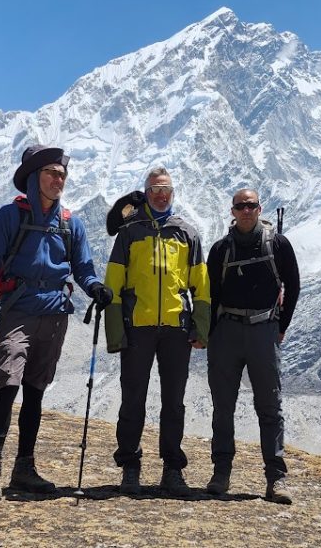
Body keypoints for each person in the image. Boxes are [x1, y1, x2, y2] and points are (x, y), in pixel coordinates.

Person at [0, 145, 112, 501]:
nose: (58, 179)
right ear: (34, 177)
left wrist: (95, 287)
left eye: (62, 174)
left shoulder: (70, 222)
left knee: (35, 389)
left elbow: (83, 269)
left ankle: (24, 466)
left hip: (55, 314)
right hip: (18, 311)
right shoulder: (10, 216)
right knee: (8, 382)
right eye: (51, 172)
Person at [103, 166, 210, 497]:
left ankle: (172, 468)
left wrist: (201, 328)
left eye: (165, 189)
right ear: (145, 194)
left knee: (174, 401)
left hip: (177, 329)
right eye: (154, 189)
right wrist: (115, 332)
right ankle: (130, 465)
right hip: (138, 328)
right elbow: (113, 284)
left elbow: (201, 287)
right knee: (132, 397)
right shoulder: (130, 232)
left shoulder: (187, 233)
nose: (160, 194)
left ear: (173, 193)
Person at [204, 188, 300, 504]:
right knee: (223, 407)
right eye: (240, 206)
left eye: (251, 206)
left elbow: (294, 285)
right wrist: (208, 333)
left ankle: (276, 479)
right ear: (232, 211)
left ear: (259, 209)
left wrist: (280, 327)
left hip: (264, 329)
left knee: (270, 407)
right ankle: (221, 474)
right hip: (227, 332)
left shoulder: (278, 245)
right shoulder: (220, 250)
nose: (246, 211)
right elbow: (211, 294)